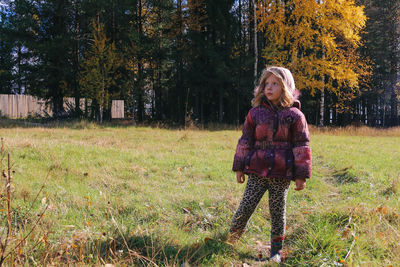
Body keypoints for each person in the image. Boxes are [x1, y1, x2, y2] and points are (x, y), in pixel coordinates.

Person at [228, 66, 312, 263]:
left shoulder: (295, 116)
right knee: (246, 205)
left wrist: (301, 176)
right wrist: (239, 167)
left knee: (277, 212)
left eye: (275, 83)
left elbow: (301, 146)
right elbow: (245, 140)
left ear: (286, 87)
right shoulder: (255, 113)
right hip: (257, 170)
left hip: (281, 174)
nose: (269, 87)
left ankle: (276, 252)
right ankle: (230, 241)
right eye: (266, 83)